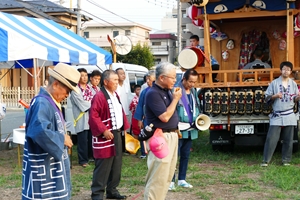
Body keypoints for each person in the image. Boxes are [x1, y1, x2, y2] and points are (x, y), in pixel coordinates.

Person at [22, 63, 80, 200]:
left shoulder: (51, 102)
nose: (68, 95)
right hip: (44, 170)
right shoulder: (42, 103)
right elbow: (39, 131)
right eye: (68, 90)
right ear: (56, 84)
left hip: (52, 167)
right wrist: (62, 139)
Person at [89, 70, 129, 200]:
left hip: (116, 133)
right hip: (106, 136)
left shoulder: (114, 95)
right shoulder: (99, 96)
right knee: (103, 166)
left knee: (116, 164)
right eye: (115, 80)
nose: (118, 83)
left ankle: (112, 190)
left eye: (118, 80)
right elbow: (93, 116)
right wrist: (103, 130)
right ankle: (97, 194)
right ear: (106, 82)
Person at [144, 62, 182, 200]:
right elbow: (165, 117)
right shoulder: (153, 93)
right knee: (158, 175)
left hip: (171, 135)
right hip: (160, 137)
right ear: (162, 78)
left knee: (167, 174)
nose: (175, 80)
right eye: (172, 77)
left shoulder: (166, 91)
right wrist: (176, 99)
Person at [261, 61, 300, 167]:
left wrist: (298, 97)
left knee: (288, 139)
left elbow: (295, 99)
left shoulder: (293, 84)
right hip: (277, 114)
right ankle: (266, 160)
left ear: (291, 71)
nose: (286, 71)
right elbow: (267, 98)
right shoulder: (274, 83)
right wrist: (275, 96)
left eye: (288, 69)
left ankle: (286, 160)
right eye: (284, 69)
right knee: (271, 139)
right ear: (281, 70)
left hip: (289, 114)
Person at [169, 69, 201, 190]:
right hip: (178, 128)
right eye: (190, 81)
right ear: (184, 80)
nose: (192, 84)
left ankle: (182, 179)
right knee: (174, 156)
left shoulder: (193, 91)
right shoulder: (176, 91)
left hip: (191, 128)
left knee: (185, 155)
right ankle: (171, 180)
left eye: (194, 82)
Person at [70, 68, 93, 167]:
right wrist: (93, 105)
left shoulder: (90, 88)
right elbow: (82, 104)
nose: (84, 77)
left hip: (91, 116)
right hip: (81, 117)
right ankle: (83, 160)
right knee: (82, 139)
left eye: (86, 75)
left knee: (91, 138)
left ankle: (91, 156)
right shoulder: (75, 89)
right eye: (82, 75)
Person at [134, 70, 156, 159]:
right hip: (147, 118)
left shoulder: (161, 90)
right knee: (145, 134)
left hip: (158, 119)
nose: (147, 81)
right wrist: (139, 120)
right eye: (147, 79)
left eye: (149, 79)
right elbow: (140, 106)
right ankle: (144, 152)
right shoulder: (144, 91)